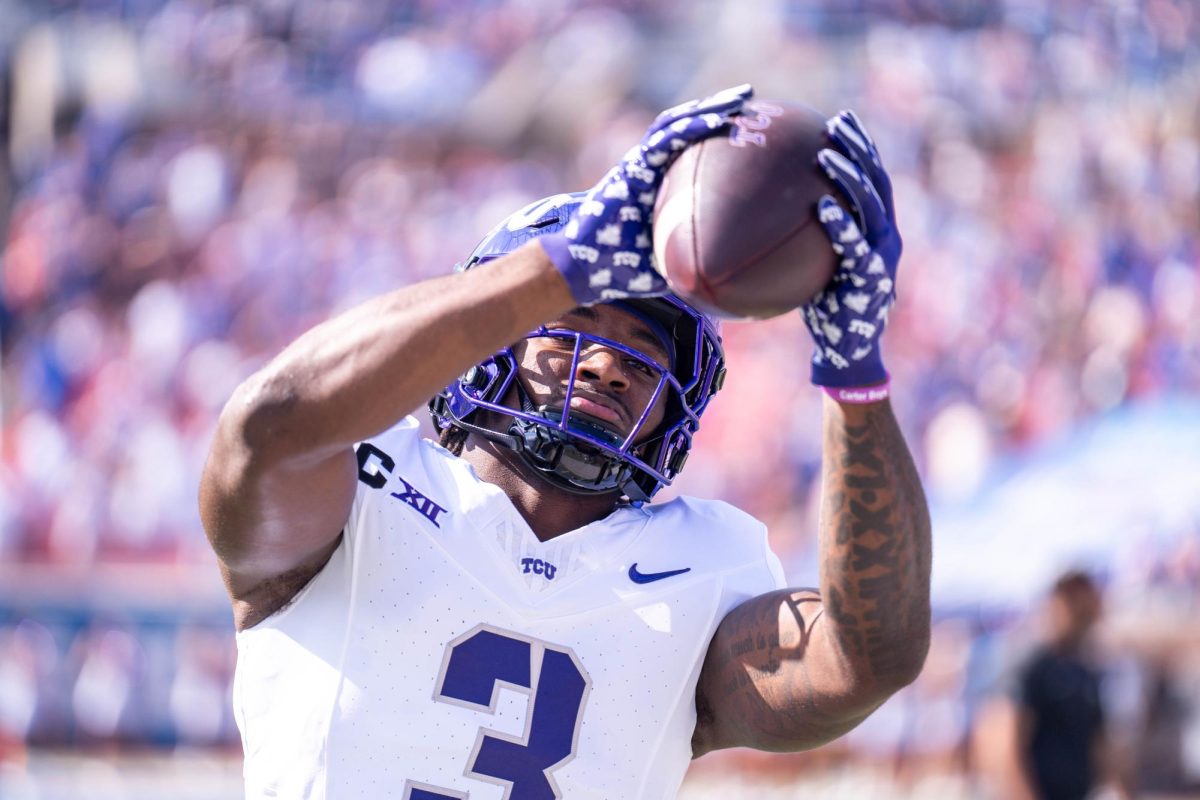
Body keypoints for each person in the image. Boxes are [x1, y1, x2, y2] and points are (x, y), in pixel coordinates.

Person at [199, 85, 931, 799]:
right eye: (578, 318)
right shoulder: (363, 489)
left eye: (645, 346)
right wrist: (566, 261)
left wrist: (855, 378)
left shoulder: (704, 565)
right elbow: (270, 425)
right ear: (489, 337)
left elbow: (866, 658)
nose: (610, 362)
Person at [977, 571, 1132, 800]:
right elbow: (1001, 744)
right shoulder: (1032, 665)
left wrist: (1119, 788)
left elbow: (1099, 744)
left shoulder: (1086, 671)